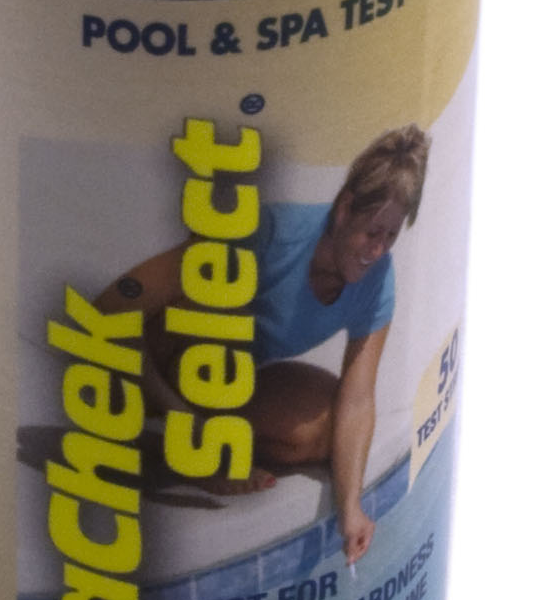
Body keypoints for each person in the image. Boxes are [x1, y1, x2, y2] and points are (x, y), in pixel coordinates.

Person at [97, 126, 429, 565]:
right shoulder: (272, 233)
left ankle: (180, 443)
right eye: (373, 232)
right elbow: (111, 306)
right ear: (345, 207)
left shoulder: (377, 279)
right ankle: (189, 446)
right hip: (145, 366)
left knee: (324, 430)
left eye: (391, 236)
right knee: (218, 291)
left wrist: (351, 508)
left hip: (225, 383)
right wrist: (185, 422)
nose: (378, 249)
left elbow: (358, 398)